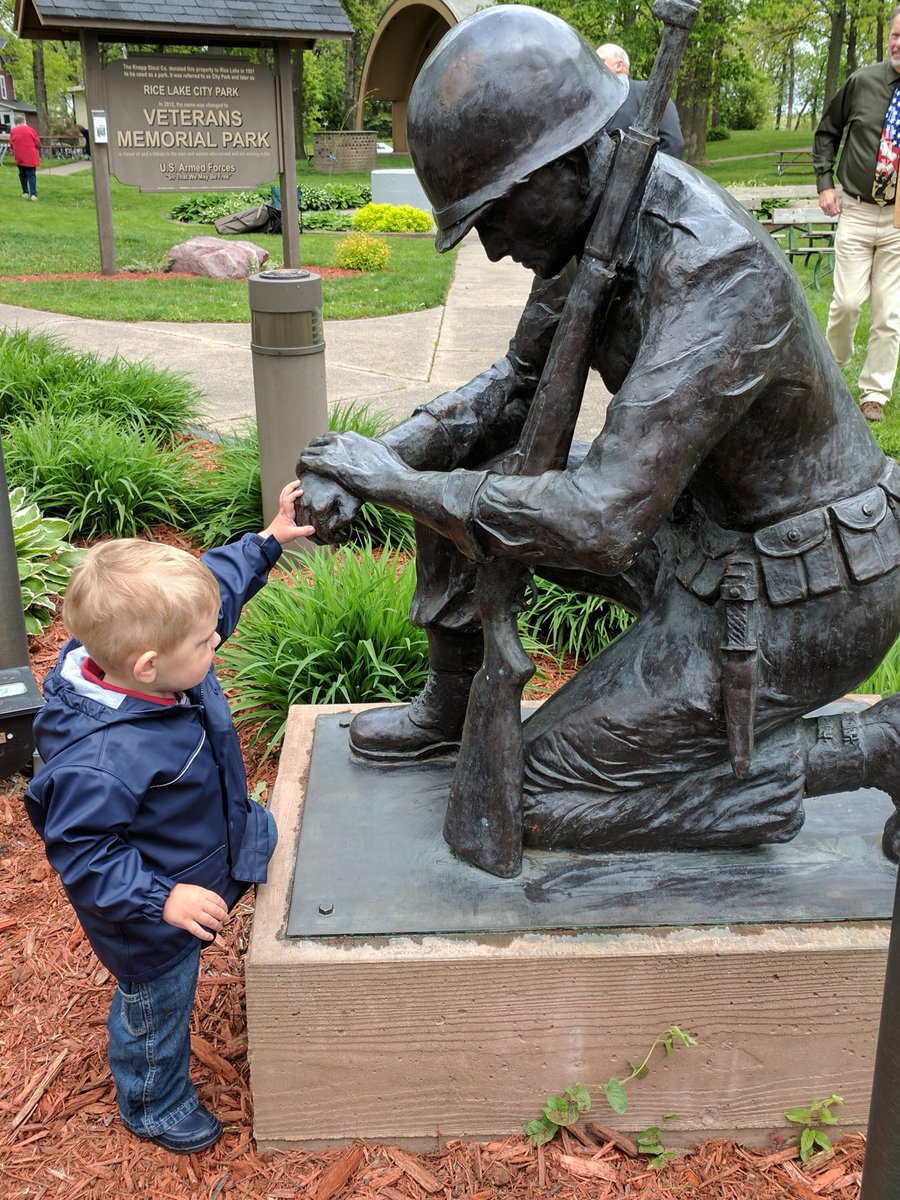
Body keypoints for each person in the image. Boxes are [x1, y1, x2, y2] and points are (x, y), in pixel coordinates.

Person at [298, 5, 900, 863]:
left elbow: (603, 518)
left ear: (567, 163)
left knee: (523, 798)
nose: (493, 250)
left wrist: (398, 483)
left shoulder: (716, 271)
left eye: (495, 214)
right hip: (692, 534)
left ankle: (867, 749)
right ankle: (454, 700)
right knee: (481, 465)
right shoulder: (597, 219)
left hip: (801, 591)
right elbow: (512, 387)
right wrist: (367, 463)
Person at [23, 484, 314, 1154]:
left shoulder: (154, 659)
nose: (218, 643)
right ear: (151, 666)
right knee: (156, 1007)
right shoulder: (101, 761)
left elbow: (215, 594)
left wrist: (267, 541)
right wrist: (163, 900)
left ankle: (236, 860)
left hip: (200, 846)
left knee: (254, 845)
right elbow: (86, 855)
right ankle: (153, 1101)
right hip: (149, 919)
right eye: (207, 644)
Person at [813, 6, 900, 422]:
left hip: (899, 219)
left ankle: (874, 395)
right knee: (846, 303)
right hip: (858, 210)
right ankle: (830, 373)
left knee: (889, 314)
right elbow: (827, 131)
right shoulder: (862, 82)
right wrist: (824, 183)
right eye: (896, 35)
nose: (899, 44)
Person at [597, 42, 684, 158]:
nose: (595, 66)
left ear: (619, 65)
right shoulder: (591, 101)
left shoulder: (649, 93)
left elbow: (672, 143)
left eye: (601, 61)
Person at [9, 114, 41, 201]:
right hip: (30, 155)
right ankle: (33, 194)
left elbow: (11, 144)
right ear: (24, 121)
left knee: (22, 174)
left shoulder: (13, 131)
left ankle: (25, 192)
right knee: (31, 175)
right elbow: (37, 142)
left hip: (19, 156)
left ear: (15, 123)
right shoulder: (31, 130)